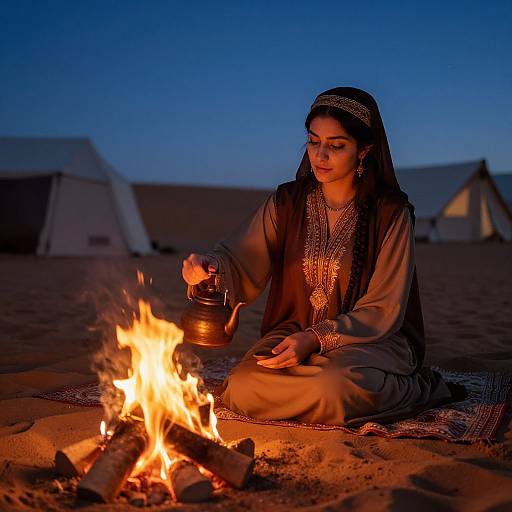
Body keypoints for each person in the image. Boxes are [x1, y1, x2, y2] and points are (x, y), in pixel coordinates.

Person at [181, 87, 454, 427]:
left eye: (336, 145)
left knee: (332, 388)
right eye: (313, 141)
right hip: (293, 333)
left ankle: (411, 387)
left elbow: (385, 308)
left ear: (364, 150)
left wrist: (316, 338)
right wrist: (210, 268)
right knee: (242, 388)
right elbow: (238, 257)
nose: (320, 155)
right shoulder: (288, 203)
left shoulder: (390, 214)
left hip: (369, 341)